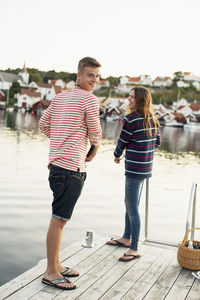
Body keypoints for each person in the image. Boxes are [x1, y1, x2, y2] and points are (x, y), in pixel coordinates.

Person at [39, 57, 102, 290]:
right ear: (78, 76)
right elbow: (95, 133)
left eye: (97, 76)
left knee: (60, 219)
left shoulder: (60, 96)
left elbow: (44, 124)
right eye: (90, 75)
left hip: (57, 167)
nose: (94, 80)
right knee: (58, 220)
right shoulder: (89, 99)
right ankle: (51, 272)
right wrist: (94, 148)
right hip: (70, 169)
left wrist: (59, 143)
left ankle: (56, 264)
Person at [106, 86, 160, 262]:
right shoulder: (152, 119)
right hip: (145, 168)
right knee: (131, 203)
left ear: (140, 100)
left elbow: (122, 142)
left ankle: (134, 248)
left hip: (134, 169)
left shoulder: (130, 119)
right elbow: (157, 143)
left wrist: (116, 156)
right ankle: (126, 237)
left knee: (131, 207)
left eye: (131, 97)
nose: (128, 100)